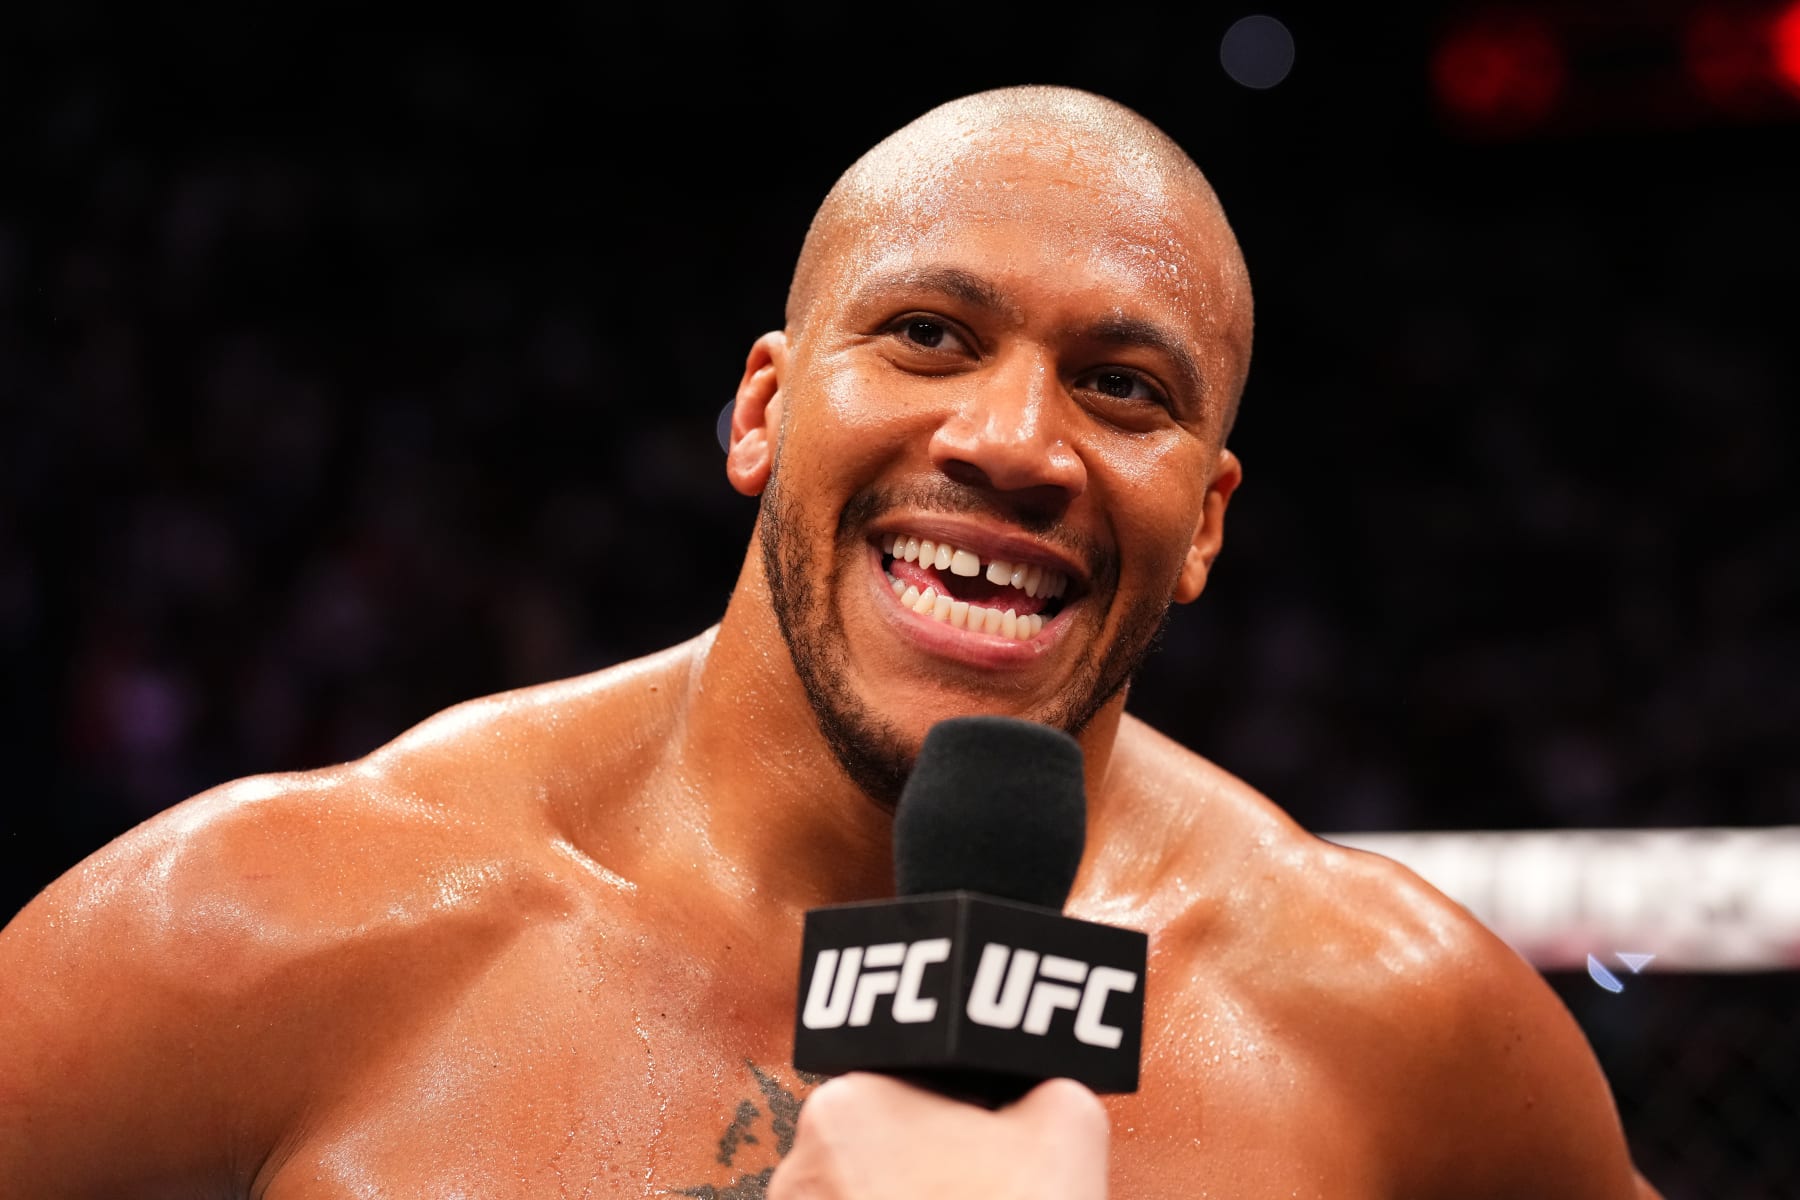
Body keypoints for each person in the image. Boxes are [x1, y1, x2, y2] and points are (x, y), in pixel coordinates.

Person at [0, 86, 1660, 1199]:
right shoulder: (262, 938)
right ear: (762, 411)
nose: (1016, 440)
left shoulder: (1388, 1033)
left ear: (1208, 518)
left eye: (1122, 388)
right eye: (930, 336)